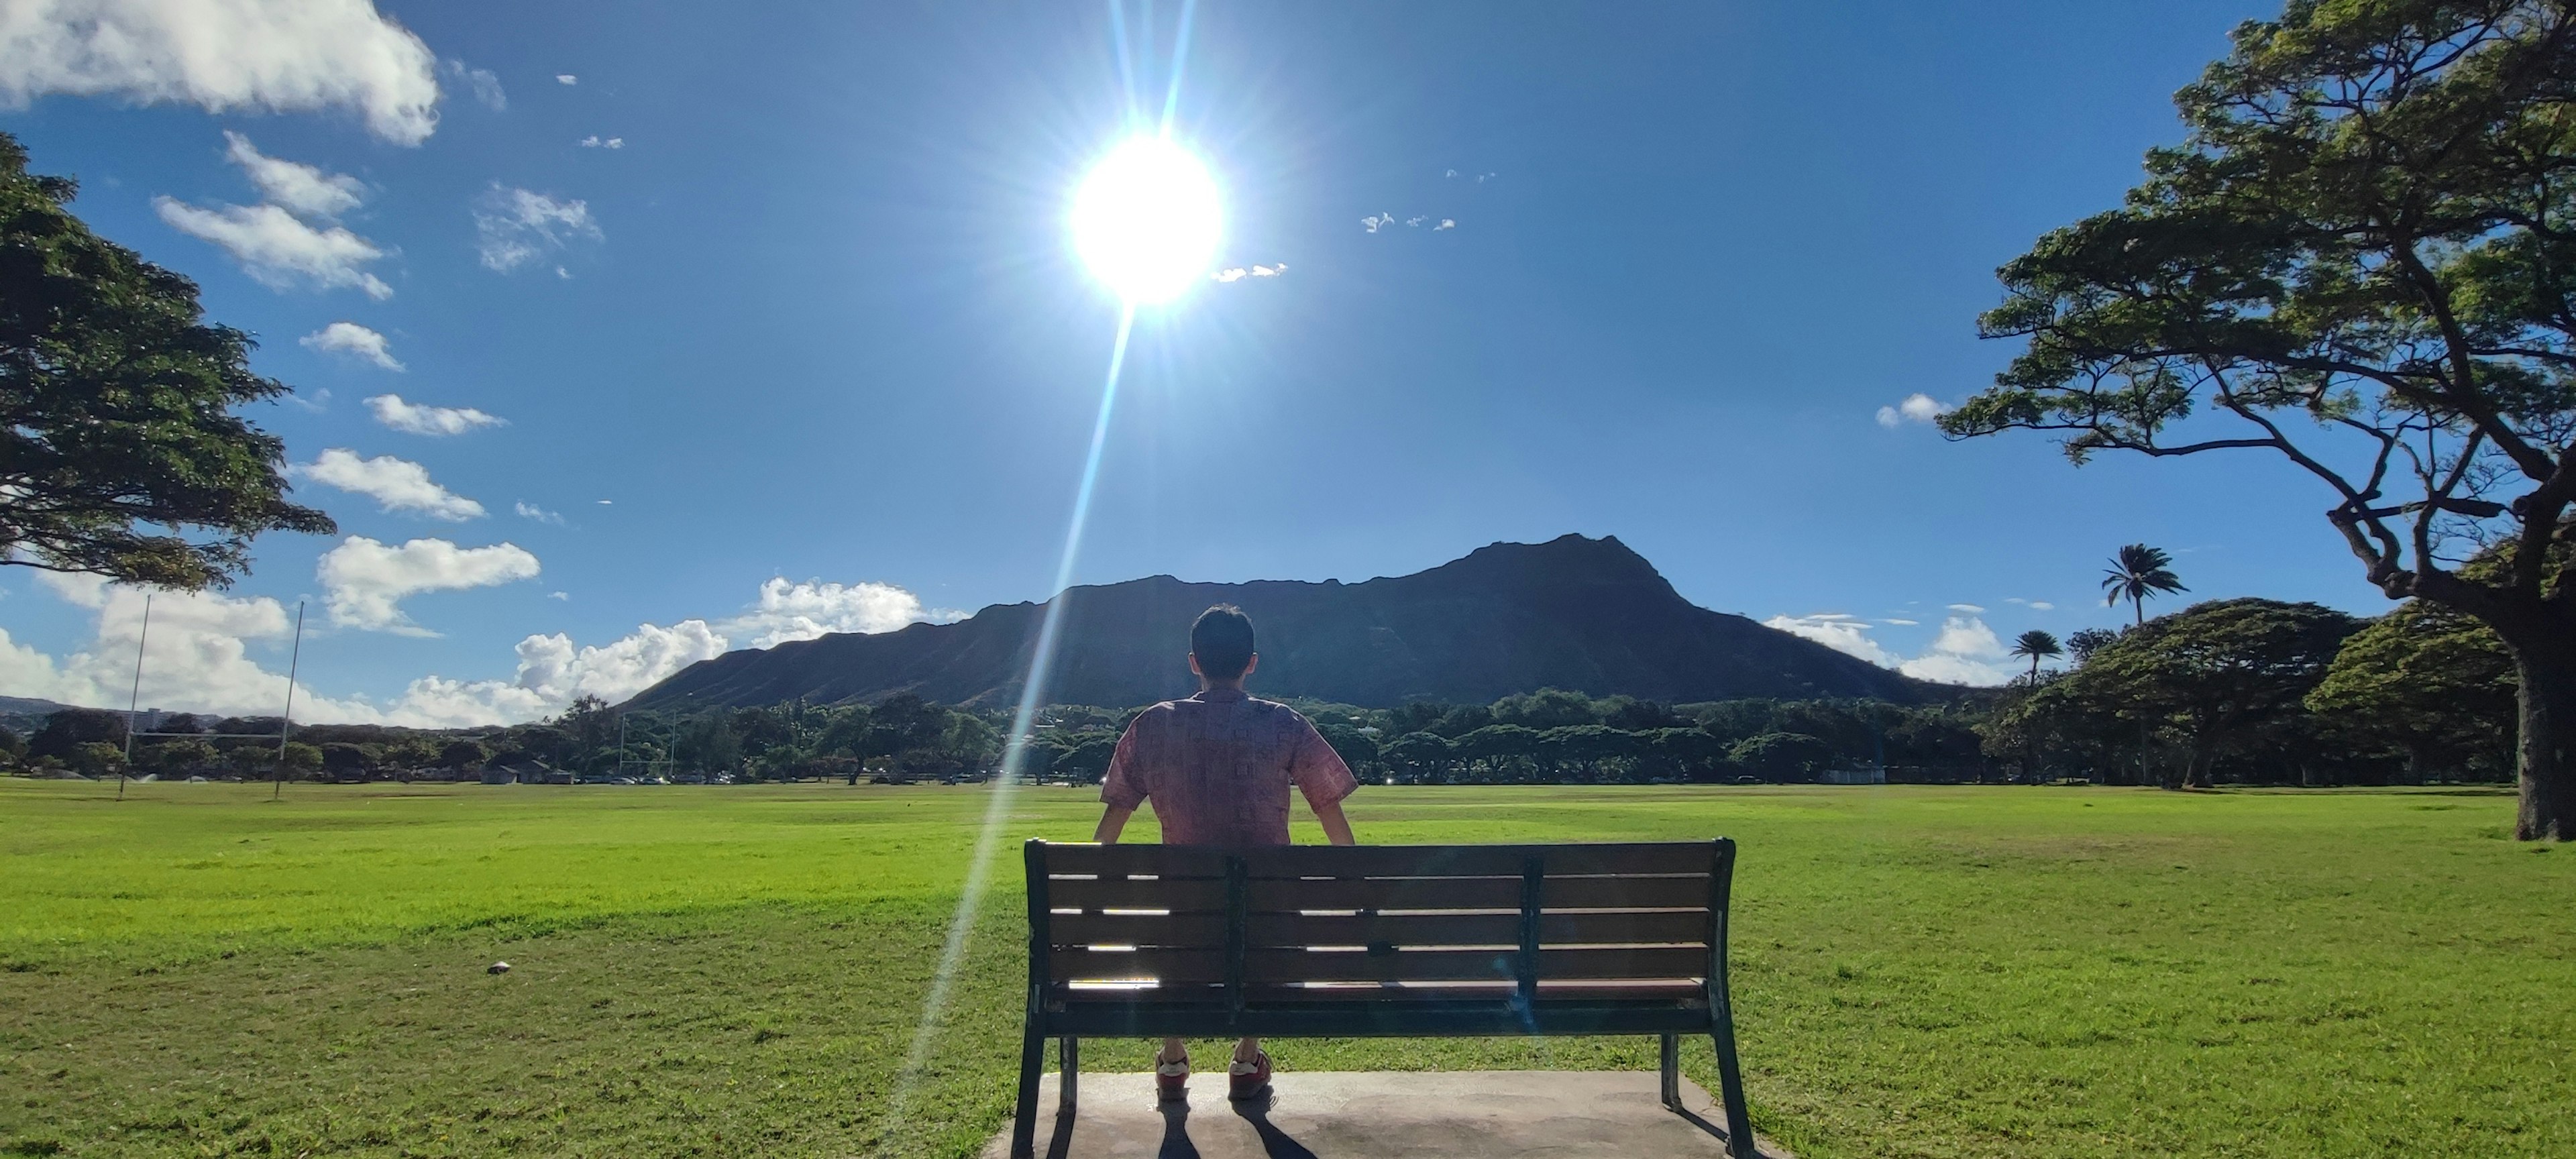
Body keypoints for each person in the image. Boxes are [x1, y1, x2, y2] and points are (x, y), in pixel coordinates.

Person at [1093, 604, 1358, 1103]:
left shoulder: (1150, 726)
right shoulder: (1284, 724)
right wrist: (1357, 887)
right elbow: (1329, 811)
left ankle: (1172, 1060)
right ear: (1252, 663)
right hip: (1267, 917)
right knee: (1267, 927)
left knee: (1176, 929)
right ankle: (1246, 1057)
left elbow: (1111, 824)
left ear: (1194, 662)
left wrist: (1086, 894)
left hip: (1185, 917)